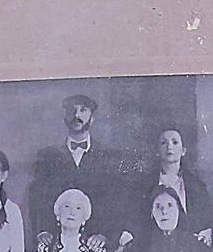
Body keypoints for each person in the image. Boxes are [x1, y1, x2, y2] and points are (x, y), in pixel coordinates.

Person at [28, 92, 138, 242]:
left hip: (96, 241)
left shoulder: (108, 157)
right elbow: (38, 197)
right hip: (58, 240)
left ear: (92, 119)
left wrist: (105, 235)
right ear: (64, 118)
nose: (77, 114)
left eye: (83, 110)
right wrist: (43, 230)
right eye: (72, 110)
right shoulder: (47, 156)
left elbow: (116, 201)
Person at [142, 126, 211, 234]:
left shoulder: (197, 186)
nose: (169, 146)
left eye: (175, 142)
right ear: (157, 151)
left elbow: (205, 222)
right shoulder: (143, 185)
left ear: (183, 151)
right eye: (164, 143)